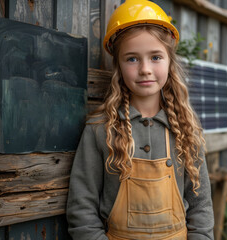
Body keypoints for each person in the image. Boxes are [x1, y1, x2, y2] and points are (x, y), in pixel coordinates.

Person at [66, 0, 214, 239]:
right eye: (132, 59)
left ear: (170, 62)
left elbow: (201, 206)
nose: (145, 68)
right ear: (119, 66)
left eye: (155, 57)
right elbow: (81, 207)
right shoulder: (100, 129)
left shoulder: (187, 129)